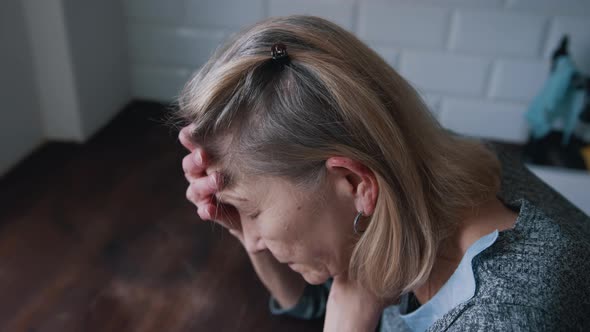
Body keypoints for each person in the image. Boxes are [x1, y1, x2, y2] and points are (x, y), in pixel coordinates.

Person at [176, 15, 590, 331]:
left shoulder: (509, 316)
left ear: (356, 183)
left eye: (254, 212)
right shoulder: (412, 183)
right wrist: (244, 230)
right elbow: (315, 302)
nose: (258, 237)